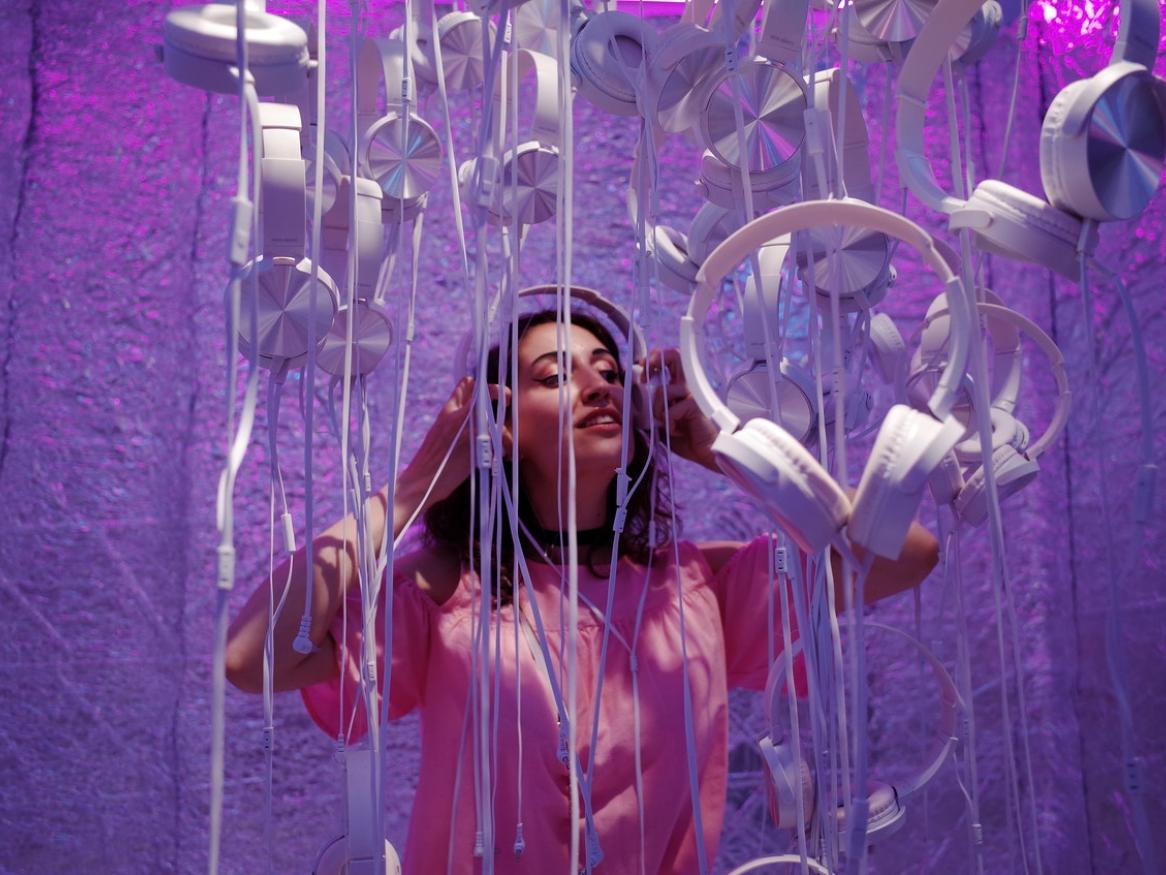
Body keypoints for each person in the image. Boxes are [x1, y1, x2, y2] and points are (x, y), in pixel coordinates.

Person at [224, 307, 939, 874]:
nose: (600, 386)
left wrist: (726, 448)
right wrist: (415, 486)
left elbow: (906, 552)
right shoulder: (448, 591)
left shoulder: (693, 588)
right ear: (500, 426)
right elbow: (253, 657)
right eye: (554, 376)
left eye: (609, 371)